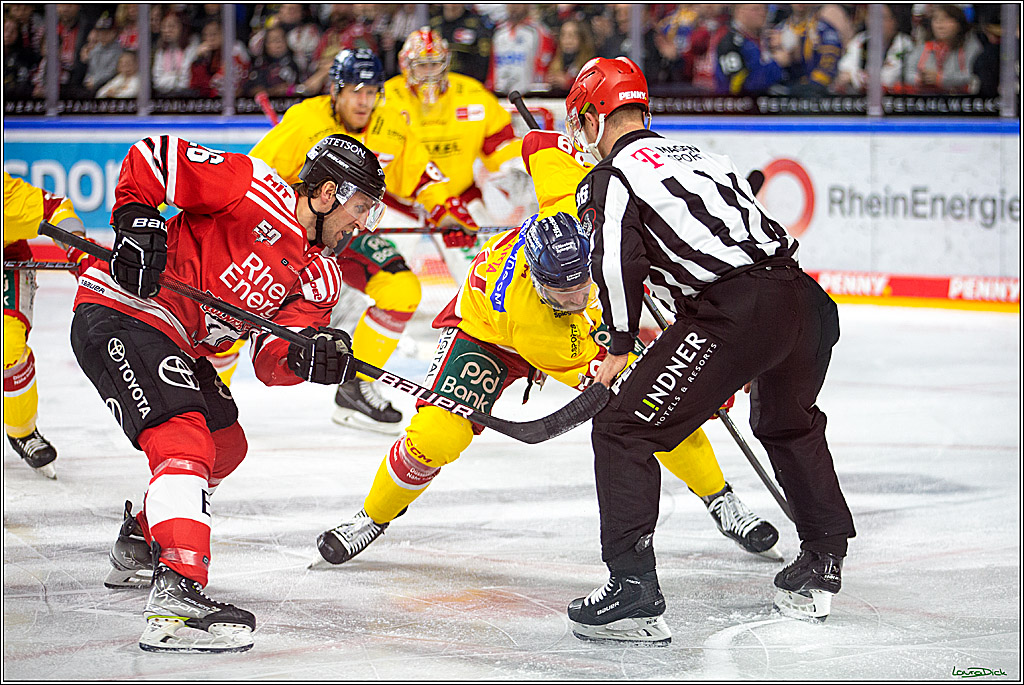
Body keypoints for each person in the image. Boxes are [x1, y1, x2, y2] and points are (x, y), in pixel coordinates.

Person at [313, 127, 781, 568]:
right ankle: (371, 517)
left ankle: (720, 498)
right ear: (538, 281)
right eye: (564, 293)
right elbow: (617, 376)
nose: (578, 298)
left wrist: (585, 162)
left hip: (550, 319)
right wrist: (698, 383)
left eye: (583, 284)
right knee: (440, 435)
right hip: (487, 334)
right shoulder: (542, 326)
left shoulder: (572, 208)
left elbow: (539, 141)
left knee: (652, 404)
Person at [562, 57, 855, 643]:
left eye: (580, 121)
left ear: (595, 116)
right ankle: (822, 559)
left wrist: (619, 346)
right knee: (786, 423)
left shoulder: (612, 177)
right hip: (805, 300)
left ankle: (633, 591)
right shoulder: (702, 156)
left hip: (737, 314)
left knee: (624, 430)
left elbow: (618, 267)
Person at [79, 133, 385, 652]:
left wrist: (309, 359)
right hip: (124, 307)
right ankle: (178, 592)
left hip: (182, 340)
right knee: (185, 439)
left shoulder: (321, 277)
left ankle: (141, 540)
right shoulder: (253, 187)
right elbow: (155, 157)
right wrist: (137, 219)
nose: (363, 224)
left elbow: (270, 360)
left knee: (226, 446)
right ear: (329, 192)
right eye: (360, 208)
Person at [248, 47, 471, 432]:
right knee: (236, 308)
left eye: (372, 92)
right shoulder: (304, 120)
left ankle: (355, 388)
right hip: (292, 233)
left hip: (346, 233)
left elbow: (421, 179)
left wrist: (447, 213)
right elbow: (257, 173)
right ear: (336, 90)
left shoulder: (391, 123)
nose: (365, 101)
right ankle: (208, 379)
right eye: (356, 90)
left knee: (402, 291)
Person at [386, 28, 532, 279]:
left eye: (435, 64)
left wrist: (516, 170)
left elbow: (500, 145)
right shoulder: (386, 98)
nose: (429, 72)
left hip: (456, 203)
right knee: (384, 283)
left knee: (480, 278)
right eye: (422, 65)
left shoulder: (473, 95)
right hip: (399, 204)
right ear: (405, 66)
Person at [3, 172, 85, 479]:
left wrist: (78, 248)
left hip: (6, 262)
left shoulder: (6, 197)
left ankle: (21, 431)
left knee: (7, 343)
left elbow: (54, 209)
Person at [835, 4, 914, 93]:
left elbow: (888, 79)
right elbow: (843, 72)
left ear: (894, 21)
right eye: (872, 16)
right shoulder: (860, 40)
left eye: (881, 17)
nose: (875, 22)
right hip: (860, 100)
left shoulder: (904, 43)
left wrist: (854, 77)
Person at [715, 3, 792, 95]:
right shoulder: (730, 42)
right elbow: (743, 86)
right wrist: (776, 63)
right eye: (756, 9)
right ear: (740, 11)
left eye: (764, 9)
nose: (763, 13)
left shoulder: (765, 38)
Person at [906, 4, 982, 94]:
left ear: (959, 23)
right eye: (936, 20)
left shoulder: (971, 45)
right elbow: (907, 73)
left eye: (946, 20)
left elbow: (974, 76)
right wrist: (919, 79)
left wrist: (941, 79)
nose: (940, 25)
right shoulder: (925, 46)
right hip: (928, 100)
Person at [488, 5, 555, 95]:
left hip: (528, 95)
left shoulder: (539, 32)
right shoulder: (499, 32)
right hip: (500, 94)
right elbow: (493, 66)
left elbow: (544, 65)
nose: (514, 7)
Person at [430, 4, 493, 84]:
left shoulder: (477, 24)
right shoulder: (434, 24)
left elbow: (484, 59)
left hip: (467, 82)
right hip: (440, 83)